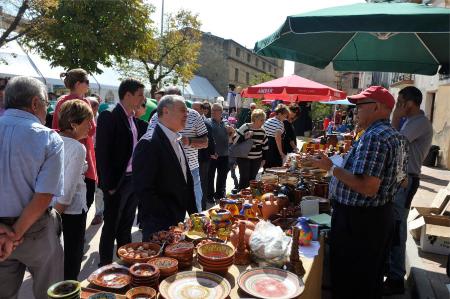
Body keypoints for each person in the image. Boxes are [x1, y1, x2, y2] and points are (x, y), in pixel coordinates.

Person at [308, 86, 408, 299]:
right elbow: (402, 180)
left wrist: (331, 168)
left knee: (350, 282)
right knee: (368, 280)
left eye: (359, 106)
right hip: (376, 218)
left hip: (359, 223)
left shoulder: (375, 136)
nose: (355, 111)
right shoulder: (394, 136)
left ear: (376, 107)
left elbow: (368, 187)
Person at [0, 76, 64, 298]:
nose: (47, 111)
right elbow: (44, 195)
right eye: (47, 104)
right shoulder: (48, 138)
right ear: (36, 103)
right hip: (35, 229)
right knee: (50, 292)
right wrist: (14, 235)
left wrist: (5, 233)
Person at [384, 86, 433, 295]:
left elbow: (395, 143)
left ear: (410, 104)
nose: (398, 105)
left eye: (400, 102)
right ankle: (390, 271)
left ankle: (396, 279)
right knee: (391, 226)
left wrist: (395, 116)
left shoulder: (419, 123)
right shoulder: (410, 122)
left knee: (397, 229)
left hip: (406, 180)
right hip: (400, 179)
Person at [96, 78, 148, 266]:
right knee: (111, 225)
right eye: (140, 95)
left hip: (132, 180)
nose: (143, 99)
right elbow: (102, 154)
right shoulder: (109, 116)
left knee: (126, 225)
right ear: (128, 95)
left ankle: (126, 264)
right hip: (117, 183)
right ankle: (105, 266)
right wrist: (108, 185)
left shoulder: (133, 119)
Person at [133, 95, 197, 240]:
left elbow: (186, 181)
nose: (187, 114)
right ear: (166, 111)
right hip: (159, 225)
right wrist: (168, 219)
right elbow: (144, 190)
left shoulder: (176, 138)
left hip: (176, 222)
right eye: (183, 110)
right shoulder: (149, 143)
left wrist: (194, 214)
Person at [145, 86, 208, 212]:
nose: (185, 114)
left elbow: (205, 142)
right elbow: (150, 141)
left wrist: (189, 141)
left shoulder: (194, 115)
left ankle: (197, 230)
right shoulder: (157, 117)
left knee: (195, 207)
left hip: (191, 169)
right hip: (167, 172)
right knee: (171, 209)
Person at [53, 99, 93, 280]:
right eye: (88, 121)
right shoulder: (78, 147)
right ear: (73, 124)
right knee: (71, 260)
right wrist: (54, 220)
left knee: (57, 260)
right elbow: (67, 190)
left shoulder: (52, 139)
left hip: (51, 208)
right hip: (71, 211)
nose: (91, 126)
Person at [52, 69, 98, 213]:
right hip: (81, 155)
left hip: (62, 155)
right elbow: (91, 130)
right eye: (87, 82)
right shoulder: (83, 102)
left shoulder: (61, 101)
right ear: (78, 83)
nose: (88, 86)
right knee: (83, 198)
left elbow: (55, 128)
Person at [233, 108, 268, 189]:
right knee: (244, 179)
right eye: (261, 120)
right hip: (244, 158)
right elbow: (234, 140)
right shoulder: (245, 127)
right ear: (255, 119)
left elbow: (265, 146)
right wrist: (246, 136)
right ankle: (241, 197)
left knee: (252, 179)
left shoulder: (262, 131)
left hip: (257, 159)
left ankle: (250, 198)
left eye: (264, 120)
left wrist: (264, 159)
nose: (263, 122)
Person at [193, 102, 215, 209]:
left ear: (202, 110)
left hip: (203, 157)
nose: (193, 111)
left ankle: (202, 206)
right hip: (192, 158)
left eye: (196, 109)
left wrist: (212, 152)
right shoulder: (189, 119)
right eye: (192, 108)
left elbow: (210, 140)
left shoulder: (206, 122)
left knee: (202, 182)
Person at [208, 104, 232, 202]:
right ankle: (209, 196)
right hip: (212, 155)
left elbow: (231, 137)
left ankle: (219, 195)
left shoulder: (226, 122)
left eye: (216, 110)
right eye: (212, 110)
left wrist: (232, 131)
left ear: (221, 112)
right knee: (210, 176)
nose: (213, 112)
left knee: (222, 176)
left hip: (225, 154)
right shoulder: (208, 122)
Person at [87, 96, 104, 226]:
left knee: (98, 187)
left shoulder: (101, 120)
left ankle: (99, 213)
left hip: (98, 154)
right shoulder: (85, 118)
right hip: (86, 154)